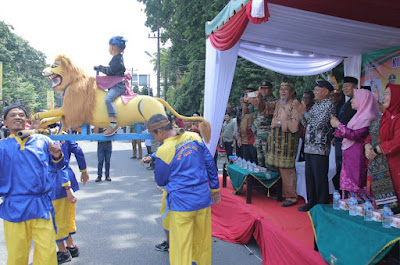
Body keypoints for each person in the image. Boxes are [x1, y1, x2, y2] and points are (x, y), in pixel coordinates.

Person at [141, 114, 220, 265]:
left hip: (181, 205)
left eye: (154, 135)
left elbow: (161, 180)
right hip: (203, 200)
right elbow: (209, 163)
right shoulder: (194, 137)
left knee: (180, 247)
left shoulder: (164, 150)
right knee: (202, 243)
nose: (155, 139)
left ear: (160, 131)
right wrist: (215, 188)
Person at [0, 104, 65, 265]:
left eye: (21, 115)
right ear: (5, 122)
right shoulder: (2, 147)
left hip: (40, 205)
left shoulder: (43, 141)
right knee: (17, 256)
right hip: (14, 207)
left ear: (26, 121)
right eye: (13, 115)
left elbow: (57, 166)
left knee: (47, 254)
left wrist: (57, 156)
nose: (17, 117)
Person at [31, 118, 90, 264]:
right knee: (65, 216)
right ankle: (71, 246)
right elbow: (78, 151)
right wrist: (83, 170)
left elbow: (58, 166)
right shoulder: (64, 134)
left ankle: (63, 251)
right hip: (63, 178)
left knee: (55, 219)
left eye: (35, 121)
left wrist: (67, 187)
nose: (32, 124)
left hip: (56, 181)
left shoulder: (45, 139)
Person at [331, 89, 380, 199]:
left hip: (358, 156)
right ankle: (349, 207)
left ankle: (359, 208)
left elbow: (355, 135)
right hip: (350, 154)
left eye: (354, 98)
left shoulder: (368, 117)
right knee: (348, 184)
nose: (351, 100)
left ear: (363, 100)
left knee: (357, 184)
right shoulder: (358, 116)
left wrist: (339, 125)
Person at [298, 79, 336, 212]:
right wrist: (302, 113)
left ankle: (321, 204)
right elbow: (306, 123)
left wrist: (304, 112)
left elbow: (318, 124)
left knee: (319, 177)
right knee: (310, 176)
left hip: (320, 148)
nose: (314, 92)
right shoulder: (316, 105)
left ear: (325, 92)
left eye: (317, 90)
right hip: (309, 146)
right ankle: (311, 201)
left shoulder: (329, 106)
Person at [263, 78, 301, 207]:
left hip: (287, 144)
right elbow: (265, 108)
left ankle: (291, 197)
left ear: (292, 92)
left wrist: (278, 123)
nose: (282, 92)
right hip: (276, 142)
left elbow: (295, 125)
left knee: (287, 170)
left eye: (285, 89)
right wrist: (256, 98)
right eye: (281, 89)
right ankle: (281, 193)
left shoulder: (295, 104)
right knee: (277, 168)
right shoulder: (279, 103)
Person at [365, 84, 400, 204]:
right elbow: (371, 135)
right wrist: (367, 146)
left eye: (387, 94)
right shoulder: (384, 117)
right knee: (383, 207)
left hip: (395, 166)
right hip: (381, 167)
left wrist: (377, 150)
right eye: (384, 94)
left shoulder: (398, 118)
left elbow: (397, 141)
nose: (383, 97)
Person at [94, 36, 127, 136]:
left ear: (112, 48)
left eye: (109, 47)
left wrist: (100, 68)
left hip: (118, 86)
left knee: (108, 99)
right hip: (115, 85)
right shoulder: (117, 59)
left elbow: (110, 70)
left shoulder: (117, 60)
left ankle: (113, 123)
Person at [250, 80, 277, 167]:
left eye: (266, 89)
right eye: (262, 89)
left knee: (268, 160)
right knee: (260, 159)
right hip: (258, 134)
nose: (263, 91)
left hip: (268, 134)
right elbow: (247, 96)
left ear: (271, 90)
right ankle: (261, 179)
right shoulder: (258, 99)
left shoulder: (274, 101)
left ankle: (269, 179)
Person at [330, 88, 345, 189]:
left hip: (342, 137)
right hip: (335, 137)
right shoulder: (334, 106)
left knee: (340, 163)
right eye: (331, 96)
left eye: (334, 96)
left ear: (340, 97)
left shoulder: (342, 107)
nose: (332, 98)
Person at [238, 88, 257, 163]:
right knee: (246, 160)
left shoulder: (255, 106)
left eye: (249, 93)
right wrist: (239, 138)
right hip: (244, 140)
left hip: (253, 140)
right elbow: (241, 127)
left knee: (254, 160)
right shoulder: (244, 115)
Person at [298, 90, 315, 162]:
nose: (305, 100)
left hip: (310, 137)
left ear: (312, 99)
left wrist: (303, 113)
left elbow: (309, 123)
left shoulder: (314, 108)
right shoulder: (301, 107)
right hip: (301, 136)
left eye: (307, 98)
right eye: (303, 98)